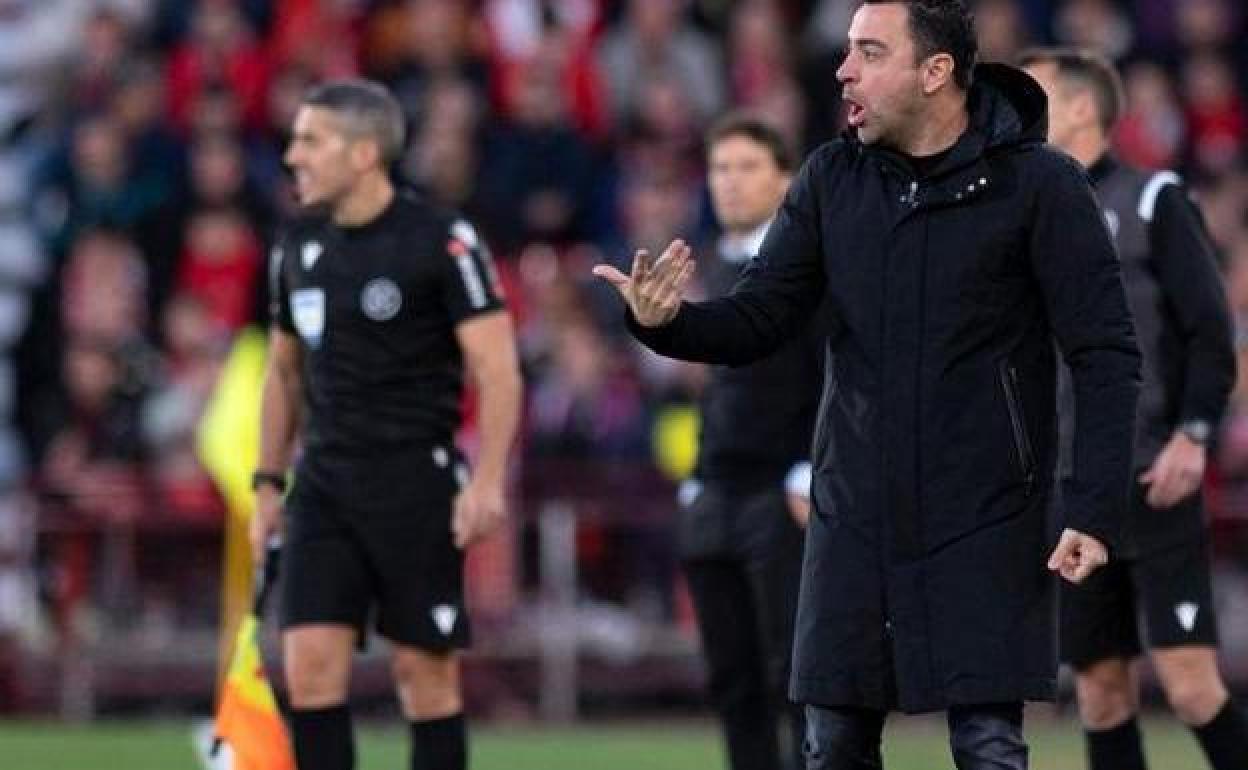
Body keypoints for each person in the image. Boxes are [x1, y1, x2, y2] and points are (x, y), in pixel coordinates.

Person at [594, 2, 1141, 768]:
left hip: (987, 511)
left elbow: (1105, 353)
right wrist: (665, 323)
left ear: (935, 71)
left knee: (987, 742)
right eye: (847, 50)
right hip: (853, 513)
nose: (844, 69)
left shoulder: (1042, 184)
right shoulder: (829, 178)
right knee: (834, 742)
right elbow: (758, 319)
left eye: (869, 52)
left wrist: (1094, 506)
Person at [251, 79, 522, 770]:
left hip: (416, 483)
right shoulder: (297, 245)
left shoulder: (441, 238)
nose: (292, 156)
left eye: (310, 140)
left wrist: (487, 481)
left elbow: (497, 370)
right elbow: (282, 374)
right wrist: (264, 485)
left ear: (364, 152)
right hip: (323, 486)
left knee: (423, 678)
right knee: (308, 668)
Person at [1020, 48, 1248, 770]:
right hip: (1070, 487)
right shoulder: (1028, 213)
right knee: (1100, 691)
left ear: (1083, 107)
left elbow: (1214, 336)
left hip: (1153, 478)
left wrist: (1194, 434)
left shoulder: (1154, 199)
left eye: (1037, 96)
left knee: (1189, 686)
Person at [679, 114, 819, 770]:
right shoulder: (707, 263)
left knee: (794, 672)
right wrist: (696, 478)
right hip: (715, 491)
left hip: (781, 490)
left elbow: (835, 371)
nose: (729, 183)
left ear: (784, 179)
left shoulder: (806, 266)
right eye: (719, 169)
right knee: (730, 678)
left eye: (746, 167)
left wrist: (811, 471)